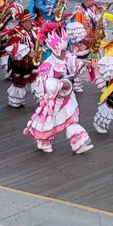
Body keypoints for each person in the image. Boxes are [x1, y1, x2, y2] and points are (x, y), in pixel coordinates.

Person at [24, 23, 93, 154]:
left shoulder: (67, 57)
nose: (64, 53)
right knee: (49, 121)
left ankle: (79, 143)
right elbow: (43, 85)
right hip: (53, 100)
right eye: (62, 51)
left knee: (72, 119)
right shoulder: (47, 65)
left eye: (65, 50)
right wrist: (57, 85)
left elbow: (75, 64)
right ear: (55, 50)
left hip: (68, 95)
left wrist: (86, 65)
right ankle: (44, 141)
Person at [66, 0, 103, 92]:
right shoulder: (78, 12)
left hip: (93, 44)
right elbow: (75, 33)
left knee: (95, 61)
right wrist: (86, 38)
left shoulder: (94, 10)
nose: (93, 1)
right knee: (80, 64)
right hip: (81, 45)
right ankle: (76, 83)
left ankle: (100, 82)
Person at [3, 11, 39, 107]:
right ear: (23, 22)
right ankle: (16, 101)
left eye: (31, 20)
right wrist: (28, 53)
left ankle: (40, 99)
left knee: (36, 79)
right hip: (21, 64)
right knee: (20, 81)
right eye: (29, 20)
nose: (31, 22)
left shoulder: (32, 30)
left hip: (33, 62)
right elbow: (13, 48)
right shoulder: (16, 33)